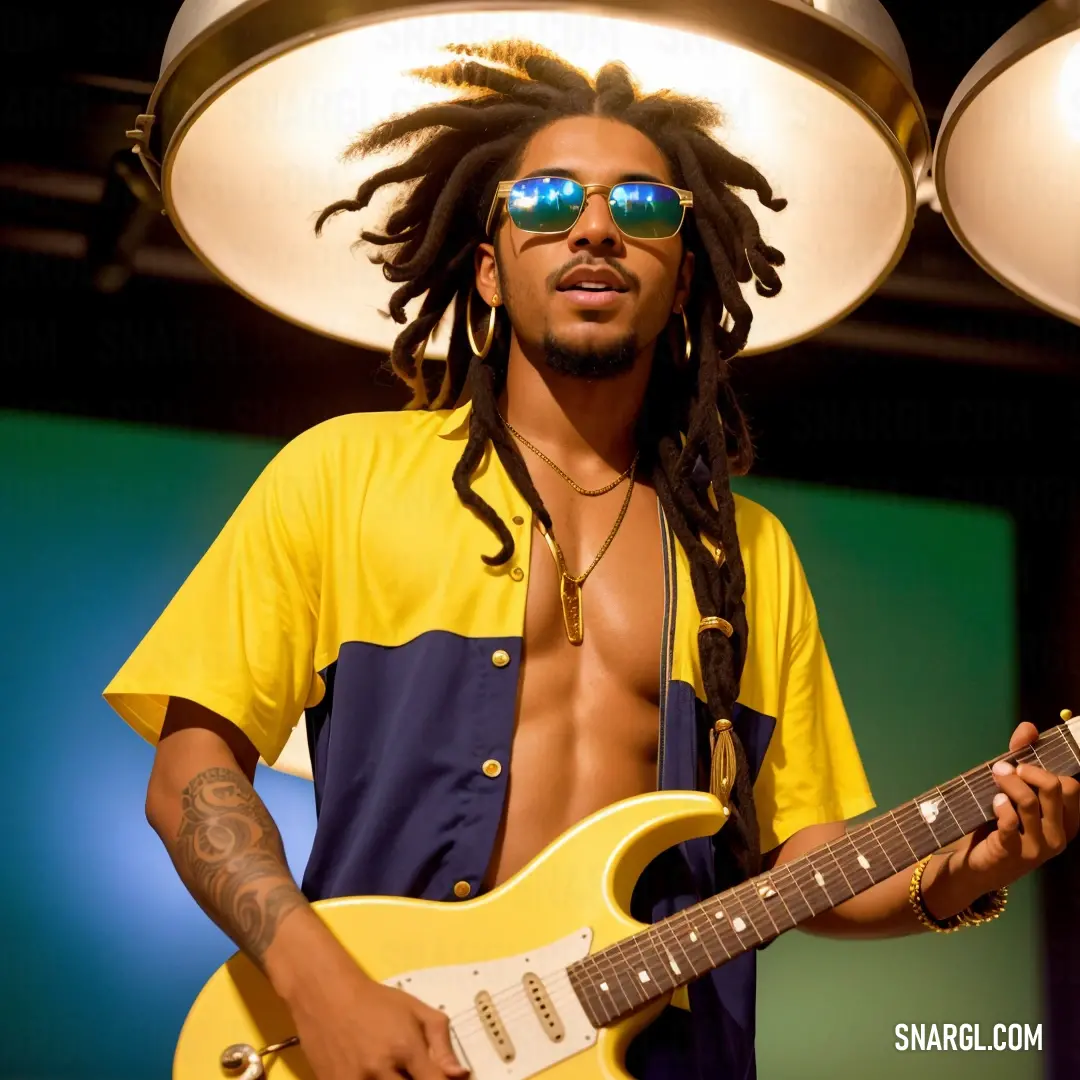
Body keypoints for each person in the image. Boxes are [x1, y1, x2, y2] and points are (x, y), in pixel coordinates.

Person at [103, 41, 1079, 1080]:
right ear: (489, 263)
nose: (598, 228)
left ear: (684, 276)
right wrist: (323, 986)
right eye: (549, 198)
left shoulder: (743, 553)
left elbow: (801, 864)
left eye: (646, 209)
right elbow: (189, 777)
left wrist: (962, 871)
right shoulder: (339, 476)